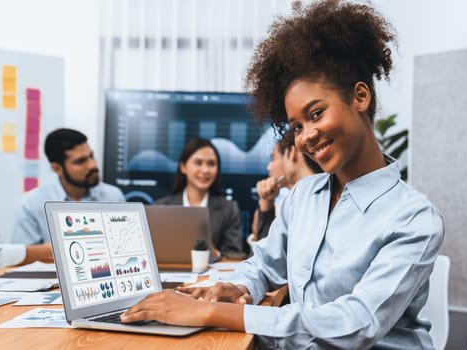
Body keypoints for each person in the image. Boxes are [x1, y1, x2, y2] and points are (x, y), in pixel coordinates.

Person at [120, 1, 444, 349]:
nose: (305, 137)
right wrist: (240, 286)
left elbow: (356, 323)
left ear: (360, 97)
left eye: (316, 113)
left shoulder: (413, 220)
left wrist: (210, 313)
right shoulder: (306, 196)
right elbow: (263, 264)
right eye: (296, 126)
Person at [12, 128, 125, 245]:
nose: (93, 165)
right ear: (57, 168)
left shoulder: (113, 197)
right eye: (81, 161)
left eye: (91, 156)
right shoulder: (31, 205)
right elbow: (22, 258)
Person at [155, 138, 244, 257]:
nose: (205, 170)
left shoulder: (229, 209)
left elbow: (235, 255)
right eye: (198, 162)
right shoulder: (161, 208)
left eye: (211, 164)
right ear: (183, 167)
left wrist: (214, 253)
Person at [252, 128, 321, 242]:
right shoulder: (290, 204)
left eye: (273, 158)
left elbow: (272, 256)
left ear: (291, 152)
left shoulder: (299, 205)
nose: (269, 167)